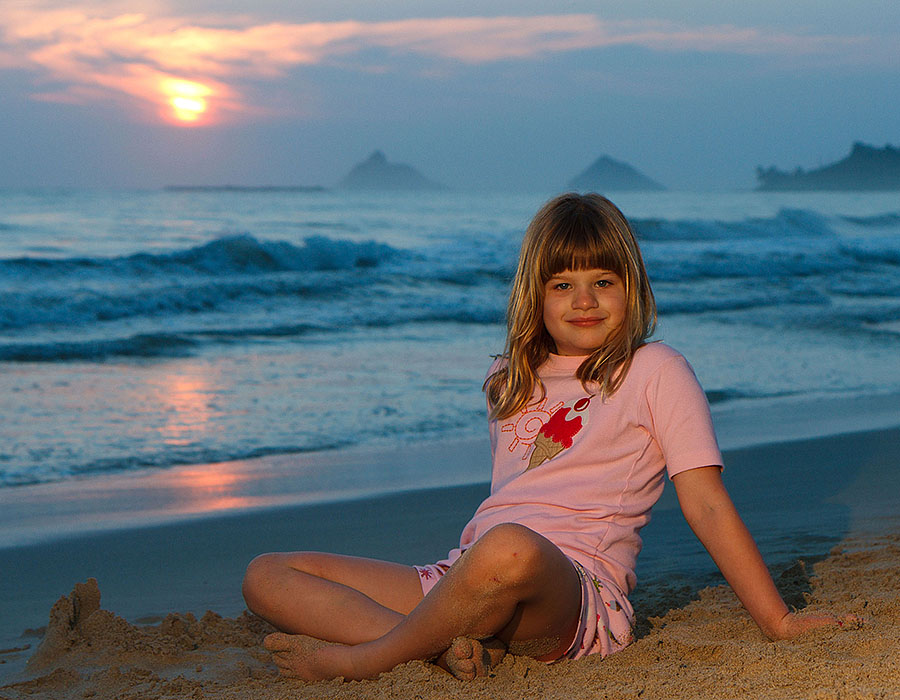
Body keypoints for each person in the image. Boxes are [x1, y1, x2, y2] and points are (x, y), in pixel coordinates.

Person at [241, 192, 842, 682]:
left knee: (510, 546)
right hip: (471, 577)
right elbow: (513, 498)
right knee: (266, 574)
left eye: (603, 281)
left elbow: (706, 503)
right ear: (537, 293)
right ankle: (439, 646)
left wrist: (778, 622)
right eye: (562, 285)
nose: (584, 300)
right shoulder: (511, 378)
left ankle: (370, 656)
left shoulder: (655, 370)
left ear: (632, 288)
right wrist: (462, 591)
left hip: (572, 593)